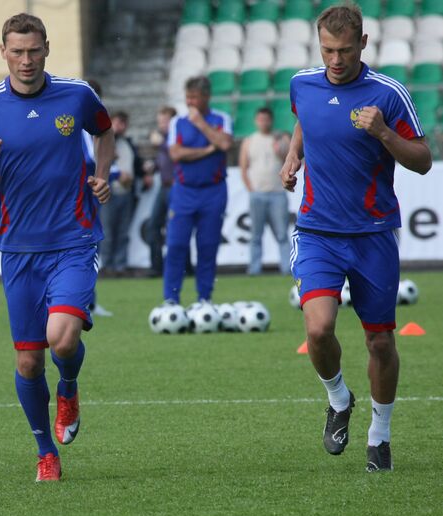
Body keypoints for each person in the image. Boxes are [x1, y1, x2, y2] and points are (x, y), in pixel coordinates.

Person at [0, 13, 115, 481]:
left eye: (33, 50)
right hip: (18, 251)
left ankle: (70, 387)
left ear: (46, 48)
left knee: (62, 337)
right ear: (4, 52)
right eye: (17, 51)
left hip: (73, 240)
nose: (26, 59)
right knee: (27, 358)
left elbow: (105, 130)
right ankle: (46, 452)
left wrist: (101, 174)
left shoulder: (76, 94)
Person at [280, 2, 432, 472]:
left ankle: (379, 437)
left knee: (381, 342)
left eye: (344, 50)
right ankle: (339, 399)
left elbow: (424, 159)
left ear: (362, 44)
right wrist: (293, 157)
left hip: (373, 235)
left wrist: (384, 132)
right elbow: (305, 118)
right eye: (327, 50)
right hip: (317, 231)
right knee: (319, 328)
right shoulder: (302, 83)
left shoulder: (389, 95)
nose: (336, 60)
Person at [164, 76, 233, 304]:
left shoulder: (221, 119)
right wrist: (206, 150)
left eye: (194, 97)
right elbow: (176, 154)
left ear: (206, 97)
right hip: (183, 191)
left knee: (207, 246)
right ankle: (171, 299)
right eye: (187, 97)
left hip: (213, 192)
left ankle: (204, 298)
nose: (190, 102)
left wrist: (201, 125)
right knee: (176, 245)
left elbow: (224, 144)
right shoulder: (177, 122)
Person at [239, 107, 291, 275]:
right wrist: (251, 189)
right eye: (260, 119)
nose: (263, 122)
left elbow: (291, 160)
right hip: (258, 193)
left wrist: (281, 150)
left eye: (266, 119)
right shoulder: (249, 141)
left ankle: (287, 268)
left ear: (271, 120)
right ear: (256, 121)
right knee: (255, 235)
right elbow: (243, 167)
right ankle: (254, 269)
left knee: (282, 234)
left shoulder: (280, 138)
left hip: (277, 192)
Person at [83, 78, 113, 317]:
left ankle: (89, 302)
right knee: (87, 248)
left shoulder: (100, 127)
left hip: (92, 195)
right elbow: (89, 159)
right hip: (80, 196)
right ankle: (85, 303)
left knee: (93, 247)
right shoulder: (78, 127)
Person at [99, 111, 134, 276]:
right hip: (109, 191)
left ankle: (120, 265)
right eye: (119, 122)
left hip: (126, 192)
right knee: (107, 231)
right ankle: (105, 265)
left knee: (123, 232)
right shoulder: (104, 140)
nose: (122, 127)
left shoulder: (128, 143)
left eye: (124, 123)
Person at [146, 106, 177, 277]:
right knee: (153, 226)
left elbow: (175, 154)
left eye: (165, 121)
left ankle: (182, 266)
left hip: (176, 186)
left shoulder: (175, 139)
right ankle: (156, 266)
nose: (161, 125)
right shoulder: (165, 140)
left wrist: (162, 145)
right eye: (160, 122)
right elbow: (164, 161)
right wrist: (153, 166)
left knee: (177, 227)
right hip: (164, 186)